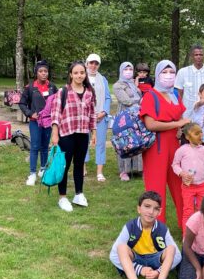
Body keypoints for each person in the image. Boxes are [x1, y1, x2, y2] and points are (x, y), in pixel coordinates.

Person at [140, 60, 189, 222]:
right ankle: (155, 230)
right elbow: (150, 124)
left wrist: (181, 128)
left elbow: (181, 114)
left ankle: (187, 226)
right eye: (164, 72)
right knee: (156, 190)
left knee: (180, 188)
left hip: (175, 148)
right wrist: (176, 124)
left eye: (171, 72)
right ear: (157, 74)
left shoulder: (174, 94)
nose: (168, 76)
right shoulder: (150, 96)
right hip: (156, 148)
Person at [110, 191, 178, 279]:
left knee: (171, 249)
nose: (151, 212)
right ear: (139, 209)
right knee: (121, 247)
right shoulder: (130, 227)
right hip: (136, 258)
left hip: (156, 259)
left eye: (156, 208)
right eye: (147, 206)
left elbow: (177, 256)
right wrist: (139, 269)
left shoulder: (162, 229)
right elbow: (113, 255)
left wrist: (158, 272)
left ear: (159, 212)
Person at [49, 61, 97, 212]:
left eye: (82, 72)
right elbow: (55, 114)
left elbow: (92, 114)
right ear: (70, 74)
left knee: (79, 165)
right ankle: (62, 197)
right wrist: (55, 134)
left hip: (82, 134)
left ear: (85, 74)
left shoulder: (89, 92)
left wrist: (93, 132)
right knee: (65, 165)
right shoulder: (63, 92)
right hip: (66, 134)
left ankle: (79, 193)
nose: (79, 75)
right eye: (76, 73)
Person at [171, 122, 204, 230]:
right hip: (188, 186)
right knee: (188, 211)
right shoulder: (182, 150)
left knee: (201, 210)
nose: (201, 135)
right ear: (188, 137)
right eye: (196, 133)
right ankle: (186, 236)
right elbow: (175, 164)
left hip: (202, 185)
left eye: (201, 132)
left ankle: (199, 233)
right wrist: (181, 173)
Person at [18, 60, 57, 186]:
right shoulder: (30, 88)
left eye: (45, 71)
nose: (44, 73)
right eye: (41, 71)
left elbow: (57, 103)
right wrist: (30, 113)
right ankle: (32, 173)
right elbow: (22, 103)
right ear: (36, 73)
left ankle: (43, 169)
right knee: (35, 146)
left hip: (48, 123)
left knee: (45, 147)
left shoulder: (52, 87)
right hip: (35, 123)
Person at [113, 61, 143, 182]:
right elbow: (126, 100)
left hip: (136, 116)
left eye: (130, 69)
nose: (128, 71)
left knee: (136, 140)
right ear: (121, 71)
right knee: (124, 141)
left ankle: (136, 168)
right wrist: (140, 101)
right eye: (126, 69)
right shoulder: (117, 85)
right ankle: (123, 171)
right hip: (124, 117)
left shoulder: (133, 84)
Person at [85, 54, 111, 183]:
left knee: (100, 143)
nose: (93, 66)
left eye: (96, 63)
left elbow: (107, 97)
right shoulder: (81, 77)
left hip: (100, 117)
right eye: (91, 63)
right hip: (84, 117)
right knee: (83, 143)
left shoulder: (103, 79)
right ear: (87, 63)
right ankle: (82, 168)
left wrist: (104, 112)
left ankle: (99, 172)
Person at [176, 44, 204, 120]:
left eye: (201, 54)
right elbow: (179, 96)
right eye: (196, 55)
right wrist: (179, 116)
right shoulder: (182, 72)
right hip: (188, 116)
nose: (198, 56)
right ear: (192, 56)